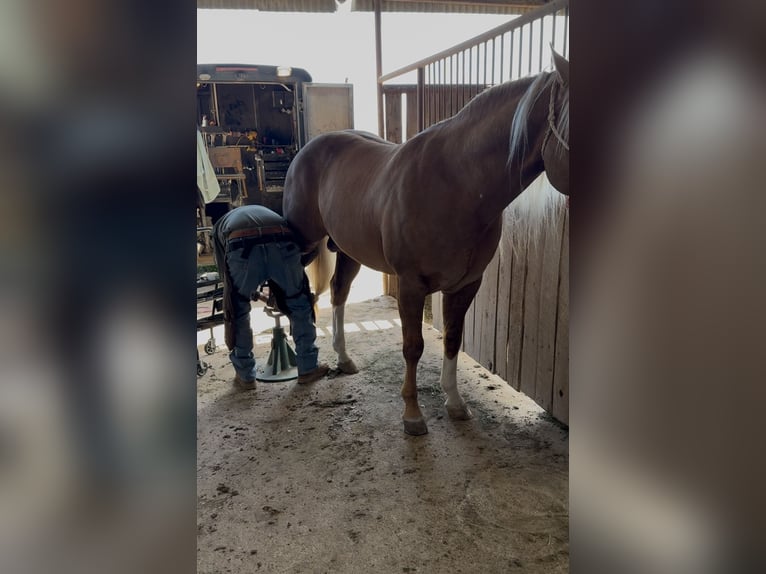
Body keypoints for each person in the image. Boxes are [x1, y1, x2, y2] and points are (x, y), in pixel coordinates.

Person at [212, 205, 329, 389]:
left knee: (239, 310)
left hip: (241, 246)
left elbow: (225, 276)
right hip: (282, 241)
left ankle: (245, 377)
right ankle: (308, 368)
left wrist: (246, 293)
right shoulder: (266, 211)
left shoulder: (219, 227)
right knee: (299, 303)